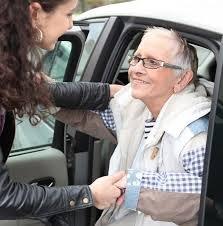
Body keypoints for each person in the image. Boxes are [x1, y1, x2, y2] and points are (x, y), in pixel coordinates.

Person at [55, 27, 213, 226]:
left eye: (152, 62)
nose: (136, 69)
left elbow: (207, 195)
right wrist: (46, 99)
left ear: (181, 79)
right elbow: (93, 117)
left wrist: (130, 186)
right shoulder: (138, 109)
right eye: (136, 58)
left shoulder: (195, 135)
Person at [0, 0, 124, 225]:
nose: (70, 25)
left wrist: (112, 92)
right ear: (35, 12)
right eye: (68, 14)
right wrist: (90, 194)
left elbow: (49, 91)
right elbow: (3, 198)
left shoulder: (6, 66)